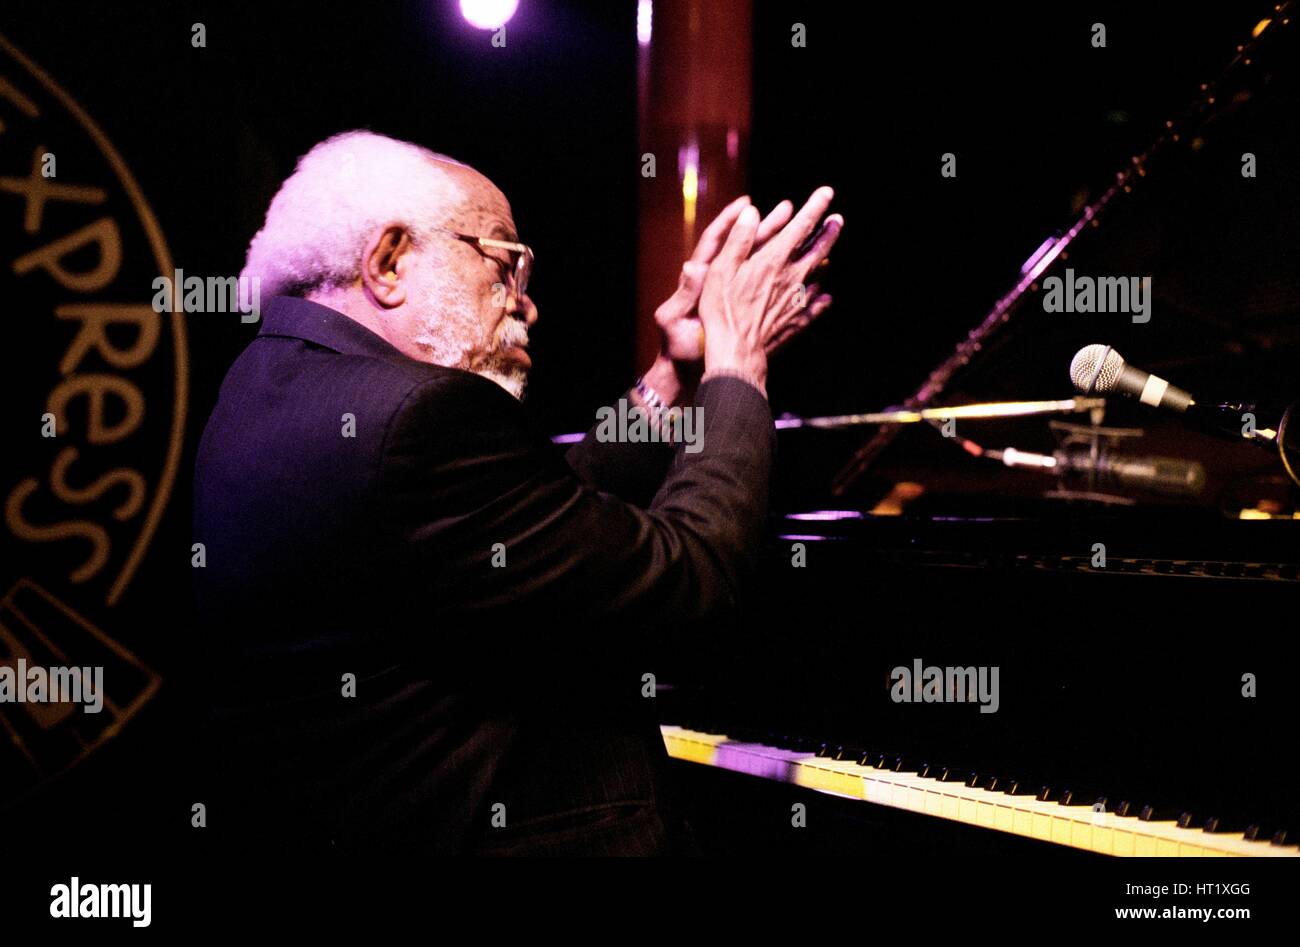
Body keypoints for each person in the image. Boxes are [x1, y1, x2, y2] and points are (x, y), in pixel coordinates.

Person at [193, 130, 842, 855]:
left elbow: (531, 520)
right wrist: (737, 359)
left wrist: (673, 377)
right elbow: (694, 578)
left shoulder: (265, 380)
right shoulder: (416, 417)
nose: (525, 304)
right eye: (506, 264)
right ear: (390, 261)